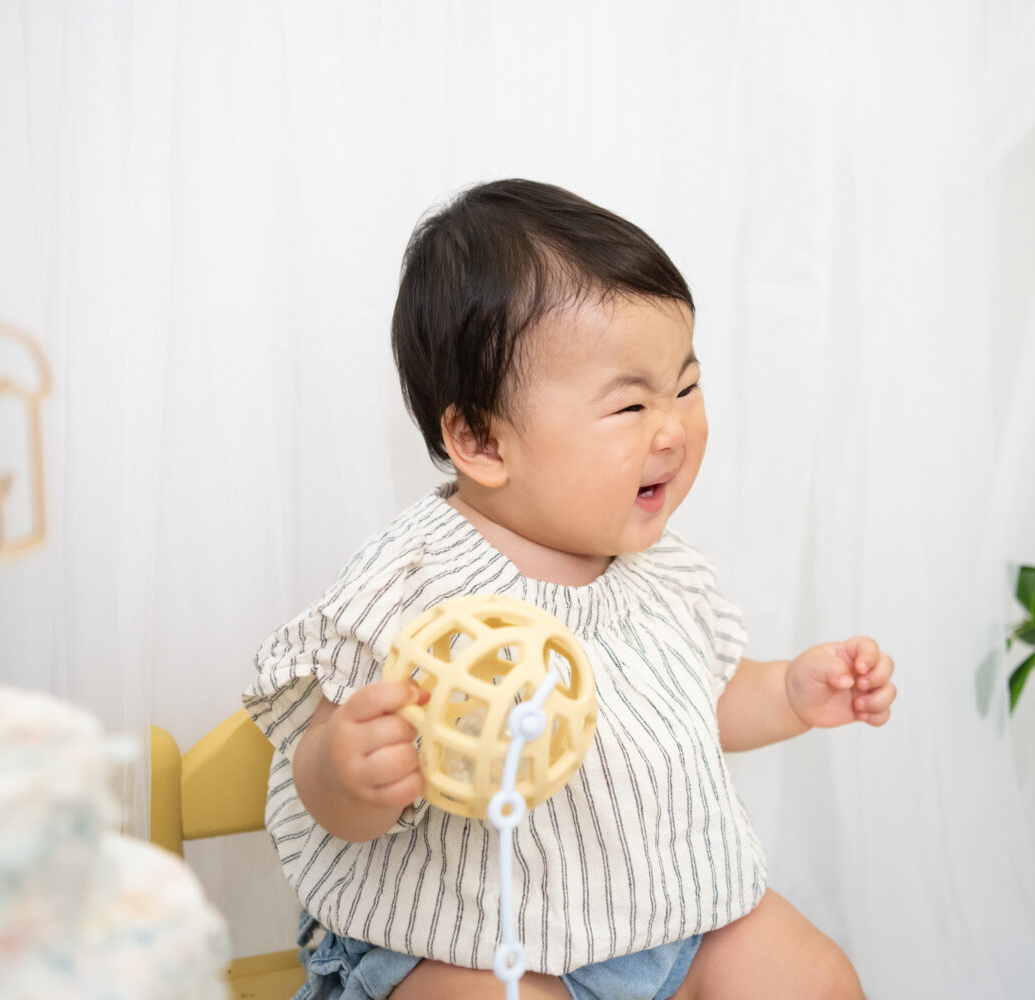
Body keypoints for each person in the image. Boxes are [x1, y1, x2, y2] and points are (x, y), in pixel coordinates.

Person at [244, 179, 896, 1000]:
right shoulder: (415, 583)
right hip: (467, 941)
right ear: (481, 438)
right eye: (630, 405)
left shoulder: (664, 572)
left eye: (686, 389)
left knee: (815, 979)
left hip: (670, 926)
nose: (674, 428)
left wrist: (791, 692)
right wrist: (344, 773)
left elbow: (706, 702)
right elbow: (326, 773)